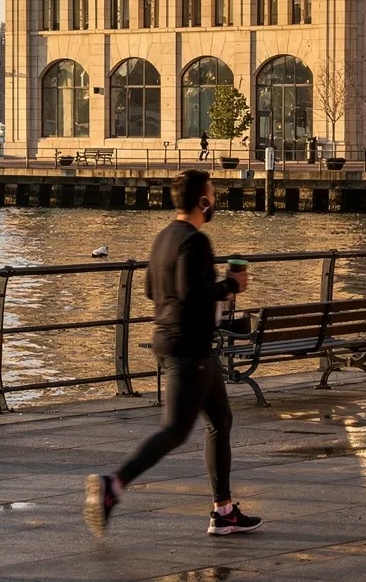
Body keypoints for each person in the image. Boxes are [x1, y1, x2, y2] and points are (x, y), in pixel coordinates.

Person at [85, 169, 259, 538]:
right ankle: (113, 485)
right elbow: (189, 292)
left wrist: (213, 290)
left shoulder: (163, 237)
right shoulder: (195, 241)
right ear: (202, 201)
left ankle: (223, 510)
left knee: (220, 421)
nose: (215, 200)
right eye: (212, 194)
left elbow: (152, 289)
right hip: (187, 347)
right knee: (176, 430)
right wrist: (229, 285)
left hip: (184, 344)